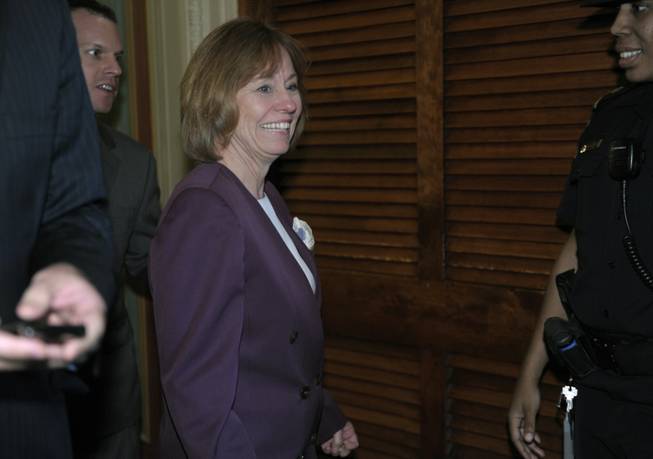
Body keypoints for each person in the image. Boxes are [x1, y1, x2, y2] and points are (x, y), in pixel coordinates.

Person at [149, 18, 359, 459]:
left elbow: (274, 345)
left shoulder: (267, 199)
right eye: (265, 88)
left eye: (292, 86)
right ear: (218, 100)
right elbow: (196, 391)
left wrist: (323, 414)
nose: (288, 104)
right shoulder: (205, 209)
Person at [508, 1, 653, 458]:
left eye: (642, 8)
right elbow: (579, 245)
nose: (617, 27)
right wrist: (531, 374)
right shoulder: (610, 114)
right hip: (594, 390)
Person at [0, 0, 114, 457]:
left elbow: (72, 206)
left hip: (24, 422)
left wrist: (73, 268)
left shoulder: (39, 14)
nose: (114, 69)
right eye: (97, 53)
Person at [66, 1, 162, 458]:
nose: (115, 68)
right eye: (96, 53)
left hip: (110, 406)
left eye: (119, 57)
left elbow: (148, 266)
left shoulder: (136, 164)